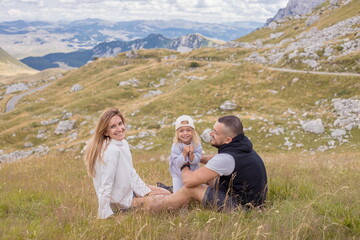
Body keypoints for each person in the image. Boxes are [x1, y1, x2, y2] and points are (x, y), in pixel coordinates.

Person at [148, 115, 267, 212]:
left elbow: (188, 180)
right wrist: (196, 157)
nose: (210, 134)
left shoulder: (226, 158)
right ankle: (174, 191)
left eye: (215, 132)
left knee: (192, 187)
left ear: (228, 140)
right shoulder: (241, 144)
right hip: (249, 200)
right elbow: (217, 158)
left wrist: (185, 163)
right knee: (207, 177)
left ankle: (147, 206)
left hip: (241, 209)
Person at [84, 107, 170, 219]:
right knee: (167, 200)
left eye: (120, 123)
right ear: (105, 131)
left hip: (130, 189)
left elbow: (131, 173)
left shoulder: (122, 143)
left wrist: (146, 192)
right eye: (113, 126)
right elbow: (105, 184)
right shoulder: (110, 151)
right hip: (122, 201)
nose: (119, 129)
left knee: (166, 194)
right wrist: (104, 214)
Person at [168, 115, 202, 192]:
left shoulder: (196, 144)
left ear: (193, 131)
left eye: (188, 130)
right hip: (178, 174)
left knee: (196, 190)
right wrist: (184, 153)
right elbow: (177, 163)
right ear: (177, 133)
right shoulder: (176, 145)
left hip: (193, 172)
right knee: (178, 193)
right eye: (181, 131)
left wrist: (191, 154)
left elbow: (197, 160)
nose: (185, 133)